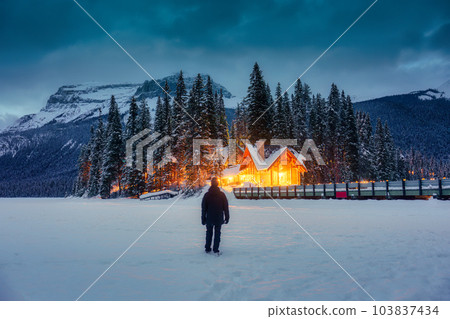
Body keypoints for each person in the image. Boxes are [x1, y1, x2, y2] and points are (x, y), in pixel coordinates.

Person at [201, 177, 229, 254]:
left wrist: (203, 219)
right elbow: (225, 207)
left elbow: (203, 208)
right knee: (217, 234)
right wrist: (227, 217)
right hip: (218, 218)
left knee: (209, 233)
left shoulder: (207, 195)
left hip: (209, 218)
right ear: (217, 184)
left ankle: (207, 248)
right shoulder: (222, 195)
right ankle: (215, 249)